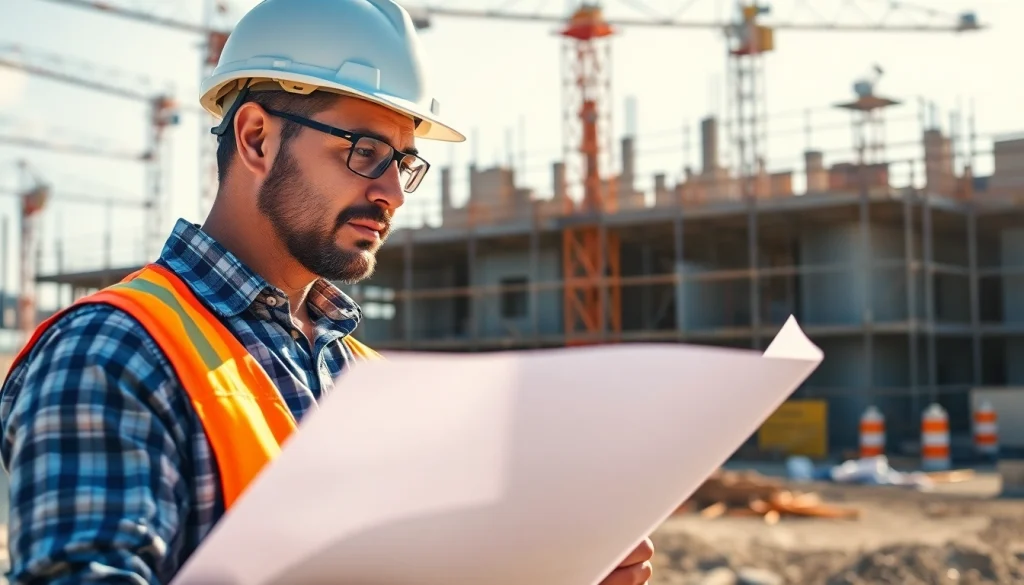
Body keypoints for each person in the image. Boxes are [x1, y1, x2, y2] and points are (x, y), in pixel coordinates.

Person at [0, 0, 655, 583]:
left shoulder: (360, 377)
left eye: (404, 161)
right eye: (366, 149)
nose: (393, 193)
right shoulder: (111, 351)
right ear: (256, 137)